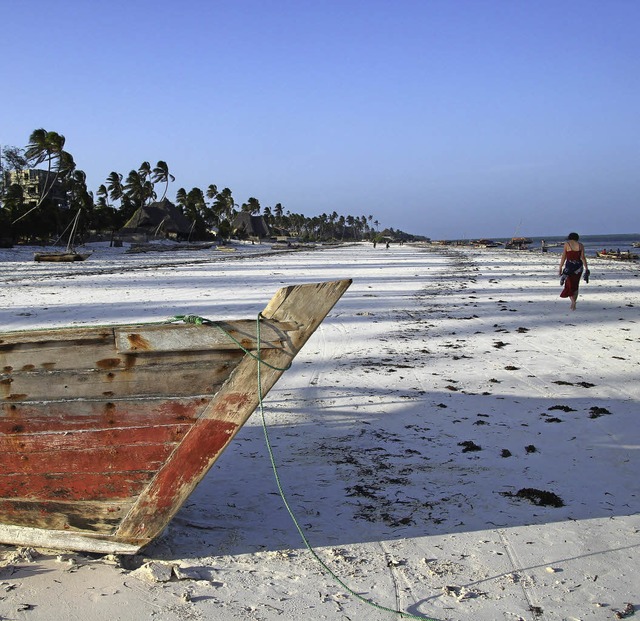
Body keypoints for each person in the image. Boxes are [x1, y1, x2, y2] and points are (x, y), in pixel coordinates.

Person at [558, 232, 588, 311]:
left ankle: (573, 302)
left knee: (569, 285)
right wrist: (586, 268)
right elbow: (583, 258)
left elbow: (564, 257)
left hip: (569, 267)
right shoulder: (581, 245)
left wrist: (560, 267)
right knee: (576, 285)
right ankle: (574, 303)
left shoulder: (567, 244)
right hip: (578, 268)